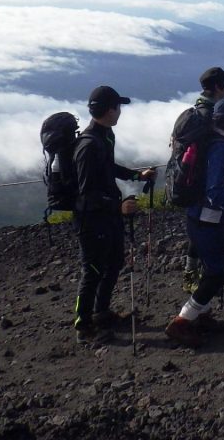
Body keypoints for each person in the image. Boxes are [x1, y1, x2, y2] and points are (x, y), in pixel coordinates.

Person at [164, 96, 224, 348]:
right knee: (218, 270)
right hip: (206, 218)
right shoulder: (222, 148)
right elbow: (214, 191)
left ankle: (202, 315)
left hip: (202, 216)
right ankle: (183, 321)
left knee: (214, 267)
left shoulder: (217, 140)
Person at [72, 85, 156, 346]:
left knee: (114, 262)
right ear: (110, 110)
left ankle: (101, 313)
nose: (120, 112)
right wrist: (117, 208)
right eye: (118, 107)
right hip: (92, 219)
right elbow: (86, 193)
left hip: (106, 215)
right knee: (93, 270)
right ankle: (83, 326)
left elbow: (109, 168)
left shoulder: (104, 136)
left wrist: (136, 175)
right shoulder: (88, 145)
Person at [178, 66, 224, 293]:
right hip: (205, 186)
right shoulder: (212, 116)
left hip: (192, 183)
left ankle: (196, 271)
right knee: (208, 229)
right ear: (218, 87)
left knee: (198, 229)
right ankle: (201, 279)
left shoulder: (195, 112)